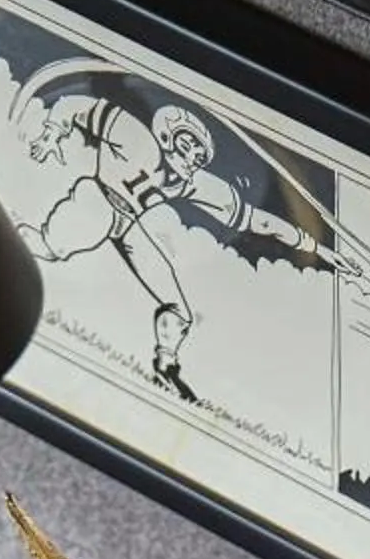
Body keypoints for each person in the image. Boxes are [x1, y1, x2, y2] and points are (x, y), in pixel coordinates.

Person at [19, 95, 326, 403]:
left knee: (179, 312)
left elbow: (256, 220)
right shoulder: (136, 137)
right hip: (98, 197)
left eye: (197, 154)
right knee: (47, 248)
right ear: (168, 137)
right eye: (187, 145)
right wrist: (50, 135)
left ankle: (165, 368)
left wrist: (314, 245)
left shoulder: (191, 184)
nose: (192, 156)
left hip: (128, 223)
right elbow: (72, 104)